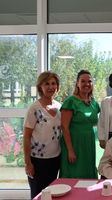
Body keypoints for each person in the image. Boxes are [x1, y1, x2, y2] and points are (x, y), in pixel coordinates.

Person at [23, 71, 61, 199]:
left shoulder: (59, 107)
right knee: (38, 195)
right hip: (37, 161)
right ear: (40, 87)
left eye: (53, 83)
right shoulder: (34, 108)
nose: (51, 87)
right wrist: (28, 163)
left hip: (55, 159)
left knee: (52, 194)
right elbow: (27, 137)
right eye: (47, 84)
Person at [60, 70, 100, 178]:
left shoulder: (94, 103)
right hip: (74, 143)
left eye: (89, 81)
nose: (86, 84)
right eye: (83, 81)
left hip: (89, 143)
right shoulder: (71, 101)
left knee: (87, 174)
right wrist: (70, 150)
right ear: (77, 83)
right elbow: (64, 127)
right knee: (74, 174)